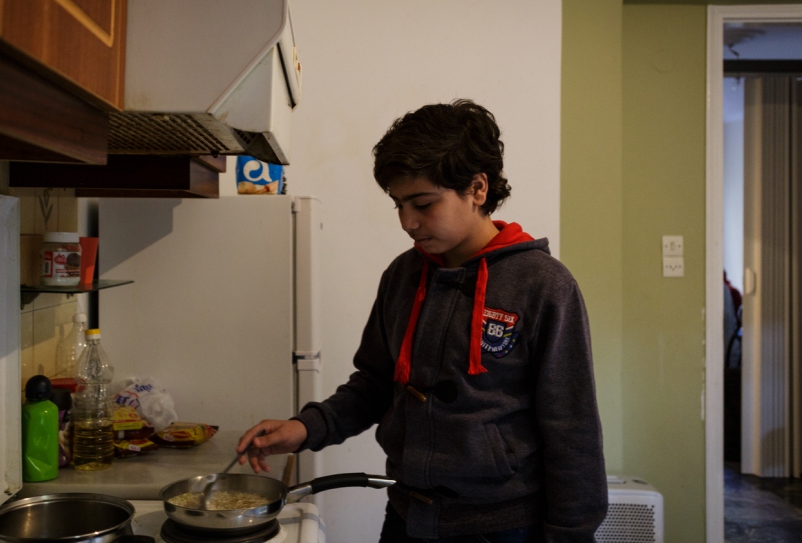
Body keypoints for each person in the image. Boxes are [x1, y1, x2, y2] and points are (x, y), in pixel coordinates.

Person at [237, 99, 608, 542]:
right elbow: (375, 384)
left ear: (477, 188)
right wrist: (305, 428)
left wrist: (572, 534)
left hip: (505, 528)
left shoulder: (544, 285)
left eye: (423, 203)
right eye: (398, 204)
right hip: (408, 519)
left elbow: (573, 428)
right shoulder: (403, 274)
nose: (407, 222)